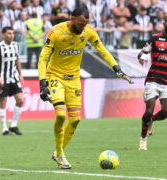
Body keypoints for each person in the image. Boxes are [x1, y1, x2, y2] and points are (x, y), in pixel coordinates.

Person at [38, 7, 133, 169]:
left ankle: (58, 152)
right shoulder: (55, 32)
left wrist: (116, 68)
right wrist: (42, 82)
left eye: (85, 24)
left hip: (74, 79)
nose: (83, 27)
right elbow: (43, 58)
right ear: (72, 18)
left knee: (75, 119)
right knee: (61, 115)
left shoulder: (88, 31)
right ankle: (60, 154)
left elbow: (102, 50)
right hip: (55, 77)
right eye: (81, 23)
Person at [137, 15, 167, 150]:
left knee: (166, 111)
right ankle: (143, 140)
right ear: (163, 23)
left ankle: (152, 120)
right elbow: (142, 52)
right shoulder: (155, 38)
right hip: (153, 80)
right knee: (148, 110)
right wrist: (142, 57)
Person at [0, 26, 24, 136]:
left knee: (20, 100)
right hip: (3, 79)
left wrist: (20, 74)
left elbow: (17, 60)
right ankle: (4, 129)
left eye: (12, 33)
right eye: (9, 33)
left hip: (13, 78)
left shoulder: (15, 45)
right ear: (3, 35)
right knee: (3, 102)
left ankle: (13, 125)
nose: (11, 35)